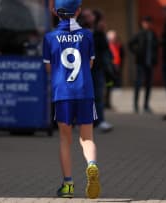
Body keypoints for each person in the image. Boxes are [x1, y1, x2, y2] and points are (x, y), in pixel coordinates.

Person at [43, 0, 101, 199]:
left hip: (63, 93)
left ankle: (68, 185)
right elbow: (91, 63)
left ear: (54, 11)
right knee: (87, 138)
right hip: (84, 91)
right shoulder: (87, 35)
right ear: (78, 11)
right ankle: (92, 166)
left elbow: (49, 68)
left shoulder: (50, 37)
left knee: (65, 139)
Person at [83, 9, 113, 132]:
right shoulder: (78, 29)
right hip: (83, 68)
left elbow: (104, 47)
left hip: (97, 68)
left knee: (98, 95)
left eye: (91, 15)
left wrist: (100, 33)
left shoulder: (98, 31)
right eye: (86, 16)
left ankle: (99, 120)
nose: (89, 18)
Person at [128, 16, 158, 114]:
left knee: (148, 84)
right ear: (142, 23)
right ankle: (136, 105)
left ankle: (146, 105)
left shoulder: (153, 34)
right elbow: (130, 44)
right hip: (140, 62)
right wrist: (137, 52)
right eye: (145, 22)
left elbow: (156, 47)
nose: (147, 25)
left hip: (149, 63)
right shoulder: (139, 34)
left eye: (149, 23)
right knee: (138, 84)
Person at [106, 30, 125, 108]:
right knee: (108, 85)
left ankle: (108, 101)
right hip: (109, 69)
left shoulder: (118, 46)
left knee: (110, 86)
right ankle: (106, 101)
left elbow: (122, 55)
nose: (114, 39)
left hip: (116, 67)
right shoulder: (107, 46)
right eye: (112, 38)